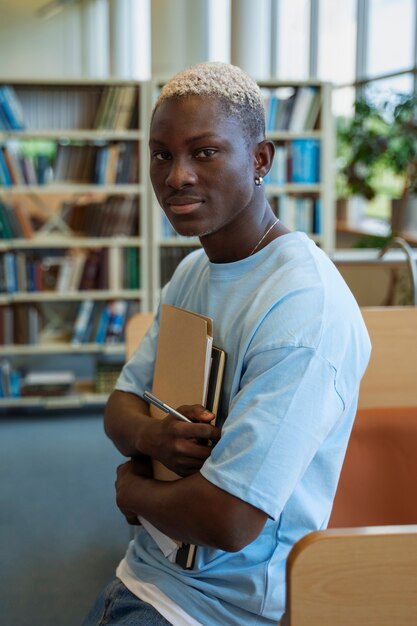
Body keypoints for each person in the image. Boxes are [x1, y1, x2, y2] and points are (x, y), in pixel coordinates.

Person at [82, 62, 371, 626]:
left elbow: (229, 520)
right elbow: (120, 407)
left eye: (205, 152)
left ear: (260, 160)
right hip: (146, 570)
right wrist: (153, 437)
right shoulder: (194, 270)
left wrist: (131, 489)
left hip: (222, 610)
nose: (177, 176)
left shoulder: (302, 308)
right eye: (162, 154)